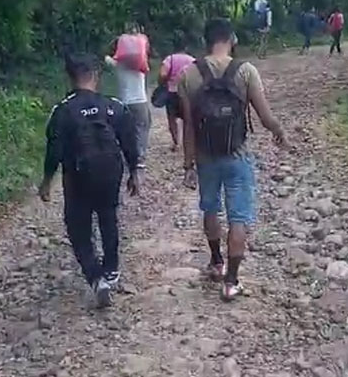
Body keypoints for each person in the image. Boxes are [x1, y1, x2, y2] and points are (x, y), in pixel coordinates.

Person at [179, 18, 288, 300]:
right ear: (232, 39)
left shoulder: (188, 74)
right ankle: (231, 282)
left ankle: (216, 262)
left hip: (205, 158)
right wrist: (279, 133)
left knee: (211, 210)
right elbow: (264, 116)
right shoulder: (246, 71)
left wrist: (188, 165)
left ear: (206, 40)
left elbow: (189, 126)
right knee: (238, 217)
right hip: (237, 155)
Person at [38, 53, 140, 308]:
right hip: (110, 171)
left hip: (78, 176)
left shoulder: (62, 110)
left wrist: (47, 181)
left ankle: (96, 278)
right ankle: (112, 268)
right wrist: (134, 172)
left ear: (69, 78)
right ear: (96, 75)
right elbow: (128, 139)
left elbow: (54, 149)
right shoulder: (113, 105)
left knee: (78, 226)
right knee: (108, 216)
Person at [106, 24, 152, 168]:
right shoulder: (140, 63)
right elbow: (145, 53)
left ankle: (127, 155)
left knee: (126, 129)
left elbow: (106, 57)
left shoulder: (117, 64)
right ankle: (140, 157)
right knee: (142, 127)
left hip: (123, 102)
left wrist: (118, 41)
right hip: (140, 101)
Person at [159, 34, 195, 151]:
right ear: (186, 47)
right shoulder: (192, 60)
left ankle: (176, 143)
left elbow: (162, 74)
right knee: (188, 119)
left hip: (172, 92)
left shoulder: (170, 59)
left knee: (172, 118)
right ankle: (188, 142)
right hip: (187, 93)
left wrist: (165, 81)